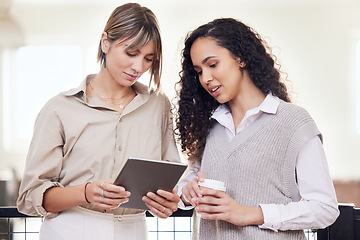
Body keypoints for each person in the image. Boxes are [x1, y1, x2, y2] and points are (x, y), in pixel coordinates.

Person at [17, 3, 180, 240]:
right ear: (105, 42)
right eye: (131, 53)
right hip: (70, 230)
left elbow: (169, 178)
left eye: (148, 58)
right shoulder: (59, 109)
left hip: (134, 230)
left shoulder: (159, 106)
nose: (139, 67)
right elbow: (29, 197)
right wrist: (86, 192)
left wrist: (168, 202)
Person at [175, 18, 339, 239]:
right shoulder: (209, 125)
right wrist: (187, 193)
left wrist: (250, 214)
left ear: (240, 58)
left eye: (212, 65)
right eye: (198, 71)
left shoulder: (293, 122)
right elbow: (185, 185)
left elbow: (324, 209)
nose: (206, 78)